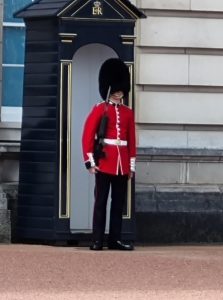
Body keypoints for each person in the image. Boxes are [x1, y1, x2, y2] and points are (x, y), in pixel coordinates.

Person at [82, 58, 136, 251]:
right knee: (101, 202)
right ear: (109, 88)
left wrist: (130, 167)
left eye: (121, 90)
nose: (118, 93)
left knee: (117, 204)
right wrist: (90, 161)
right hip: (105, 161)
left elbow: (131, 140)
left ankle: (115, 239)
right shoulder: (100, 109)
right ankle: (97, 239)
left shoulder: (128, 113)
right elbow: (88, 135)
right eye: (115, 90)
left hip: (121, 165)